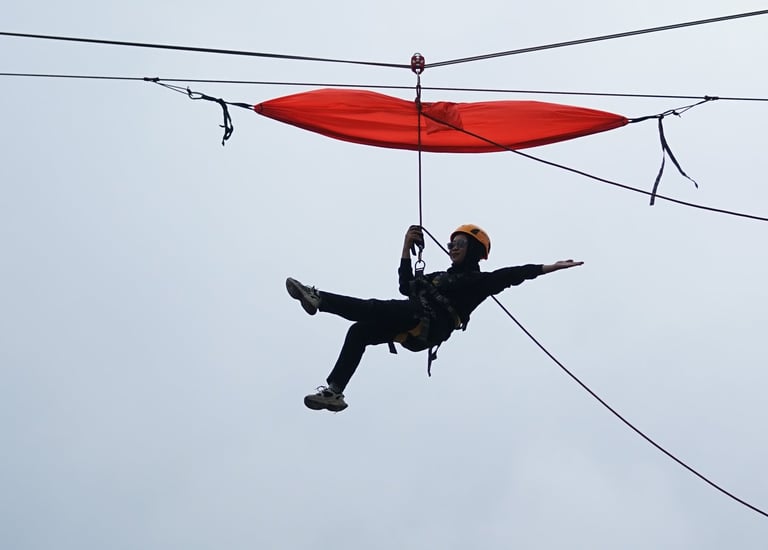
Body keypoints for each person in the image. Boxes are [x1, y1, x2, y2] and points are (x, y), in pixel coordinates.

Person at [286, 224, 583, 412]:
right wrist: (405, 248)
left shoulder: (478, 282)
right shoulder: (438, 277)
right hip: (415, 321)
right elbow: (405, 286)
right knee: (359, 331)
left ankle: (319, 298)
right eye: (451, 243)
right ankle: (335, 392)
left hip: (427, 322)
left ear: (474, 251)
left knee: (374, 308)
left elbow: (512, 275)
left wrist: (549, 267)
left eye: (459, 244)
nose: (452, 247)